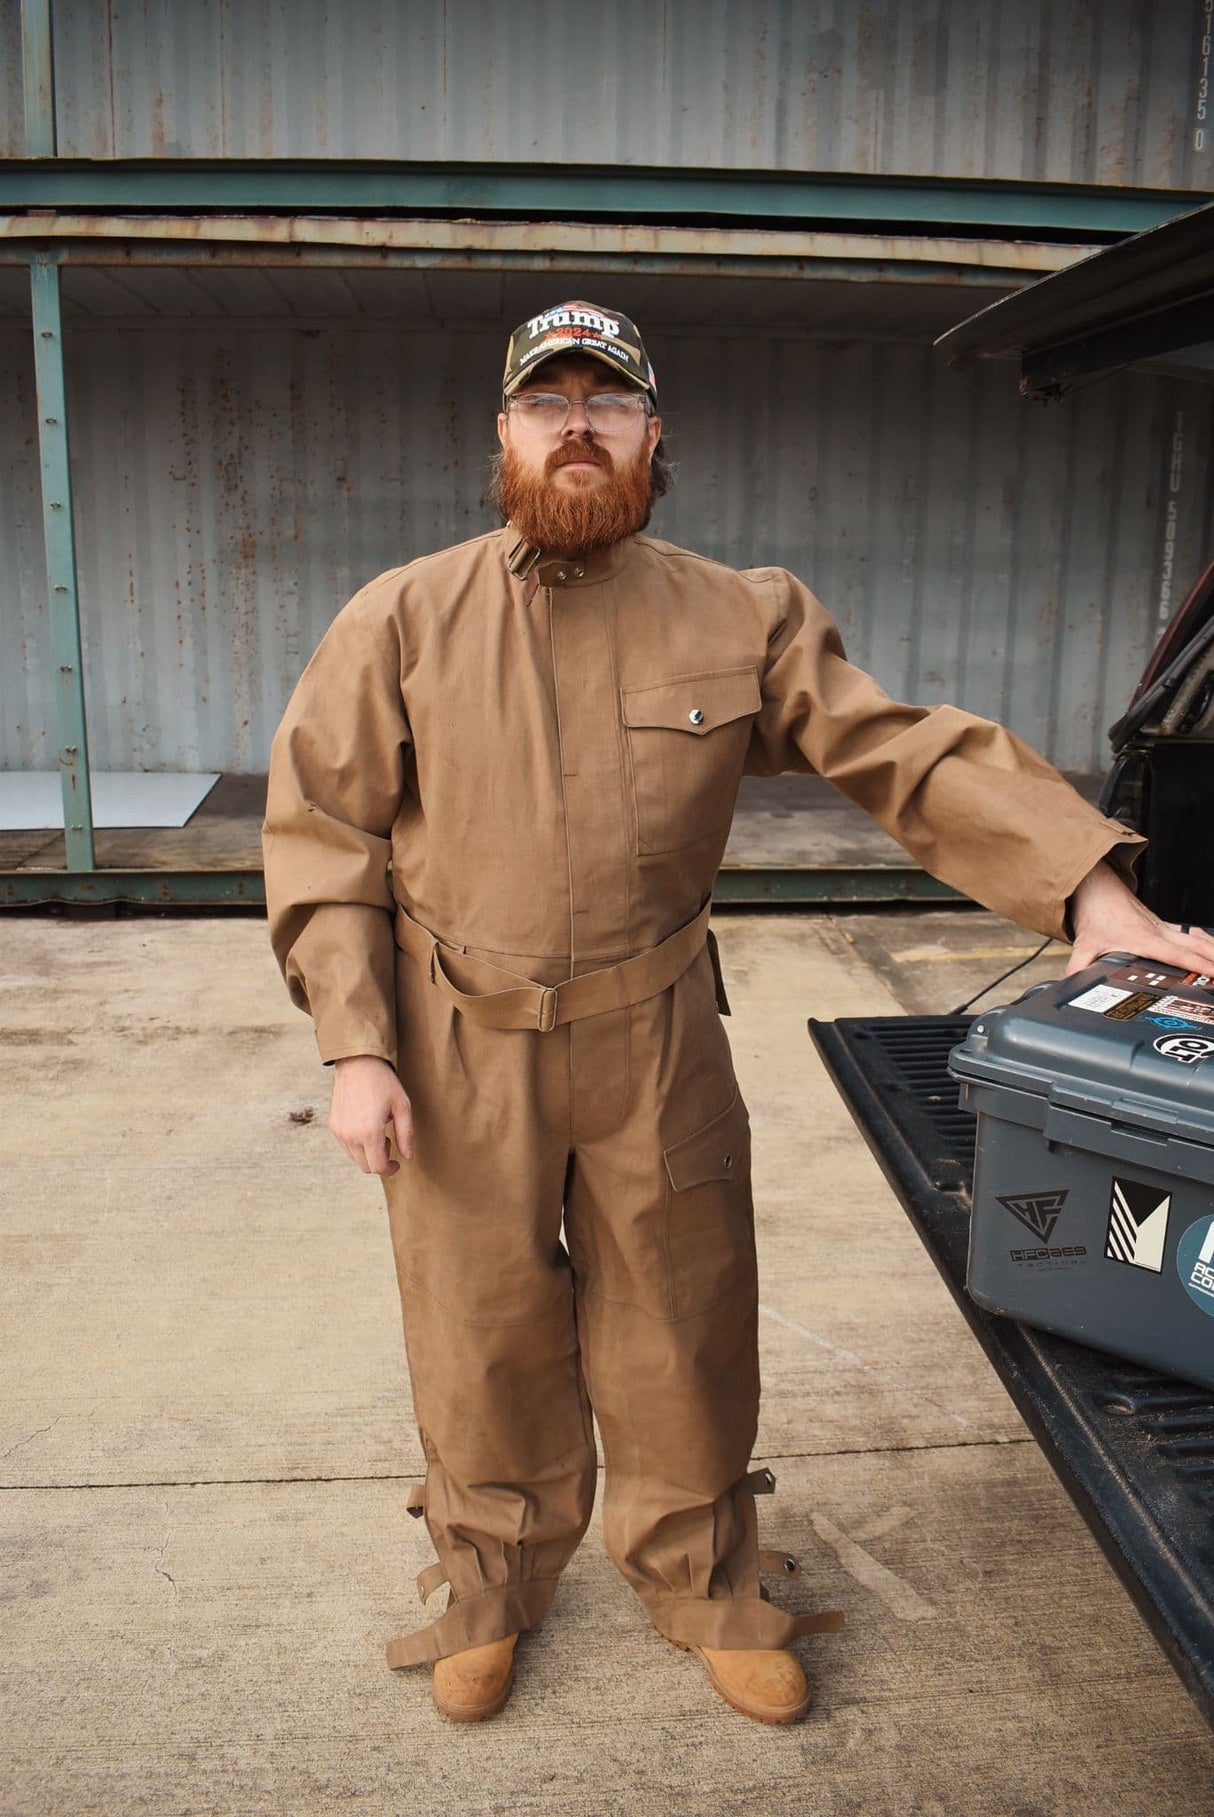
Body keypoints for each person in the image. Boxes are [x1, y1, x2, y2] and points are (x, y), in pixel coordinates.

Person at [263, 300, 1214, 1726]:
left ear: (655, 435)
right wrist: (356, 1044)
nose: (575, 424)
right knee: (477, 1328)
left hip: (653, 1038)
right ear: (501, 432)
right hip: (459, 1040)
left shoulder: (737, 612)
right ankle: (490, 1582)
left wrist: (1089, 888)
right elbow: (321, 831)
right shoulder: (401, 618)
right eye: (547, 401)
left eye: (608, 401)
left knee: (683, 1321)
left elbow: (897, 750)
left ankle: (705, 1583)